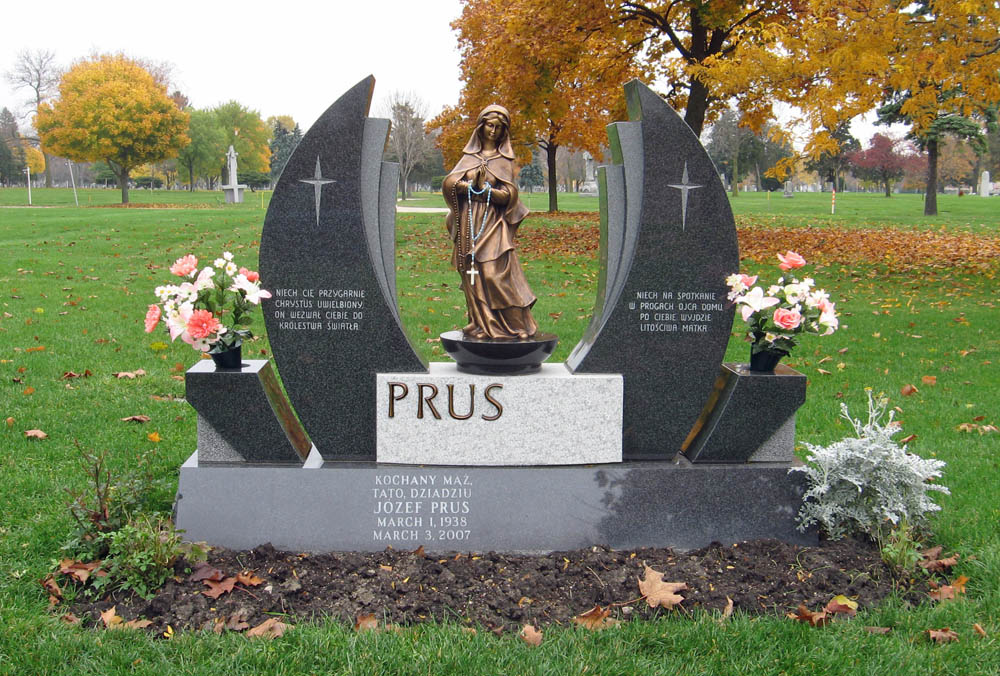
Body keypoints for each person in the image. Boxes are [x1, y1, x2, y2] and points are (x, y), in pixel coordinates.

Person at [442, 105, 538, 339]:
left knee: (494, 274)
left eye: (499, 127)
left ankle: (516, 325)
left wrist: (487, 192)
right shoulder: (469, 158)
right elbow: (449, 184)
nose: (493, 131)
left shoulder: (503, 160)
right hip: (469, 222)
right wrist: (468, 187)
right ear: (481, 126)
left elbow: (510, 194)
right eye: (490, 125)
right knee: (472, 271)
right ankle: (480, 323)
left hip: (493, 222)